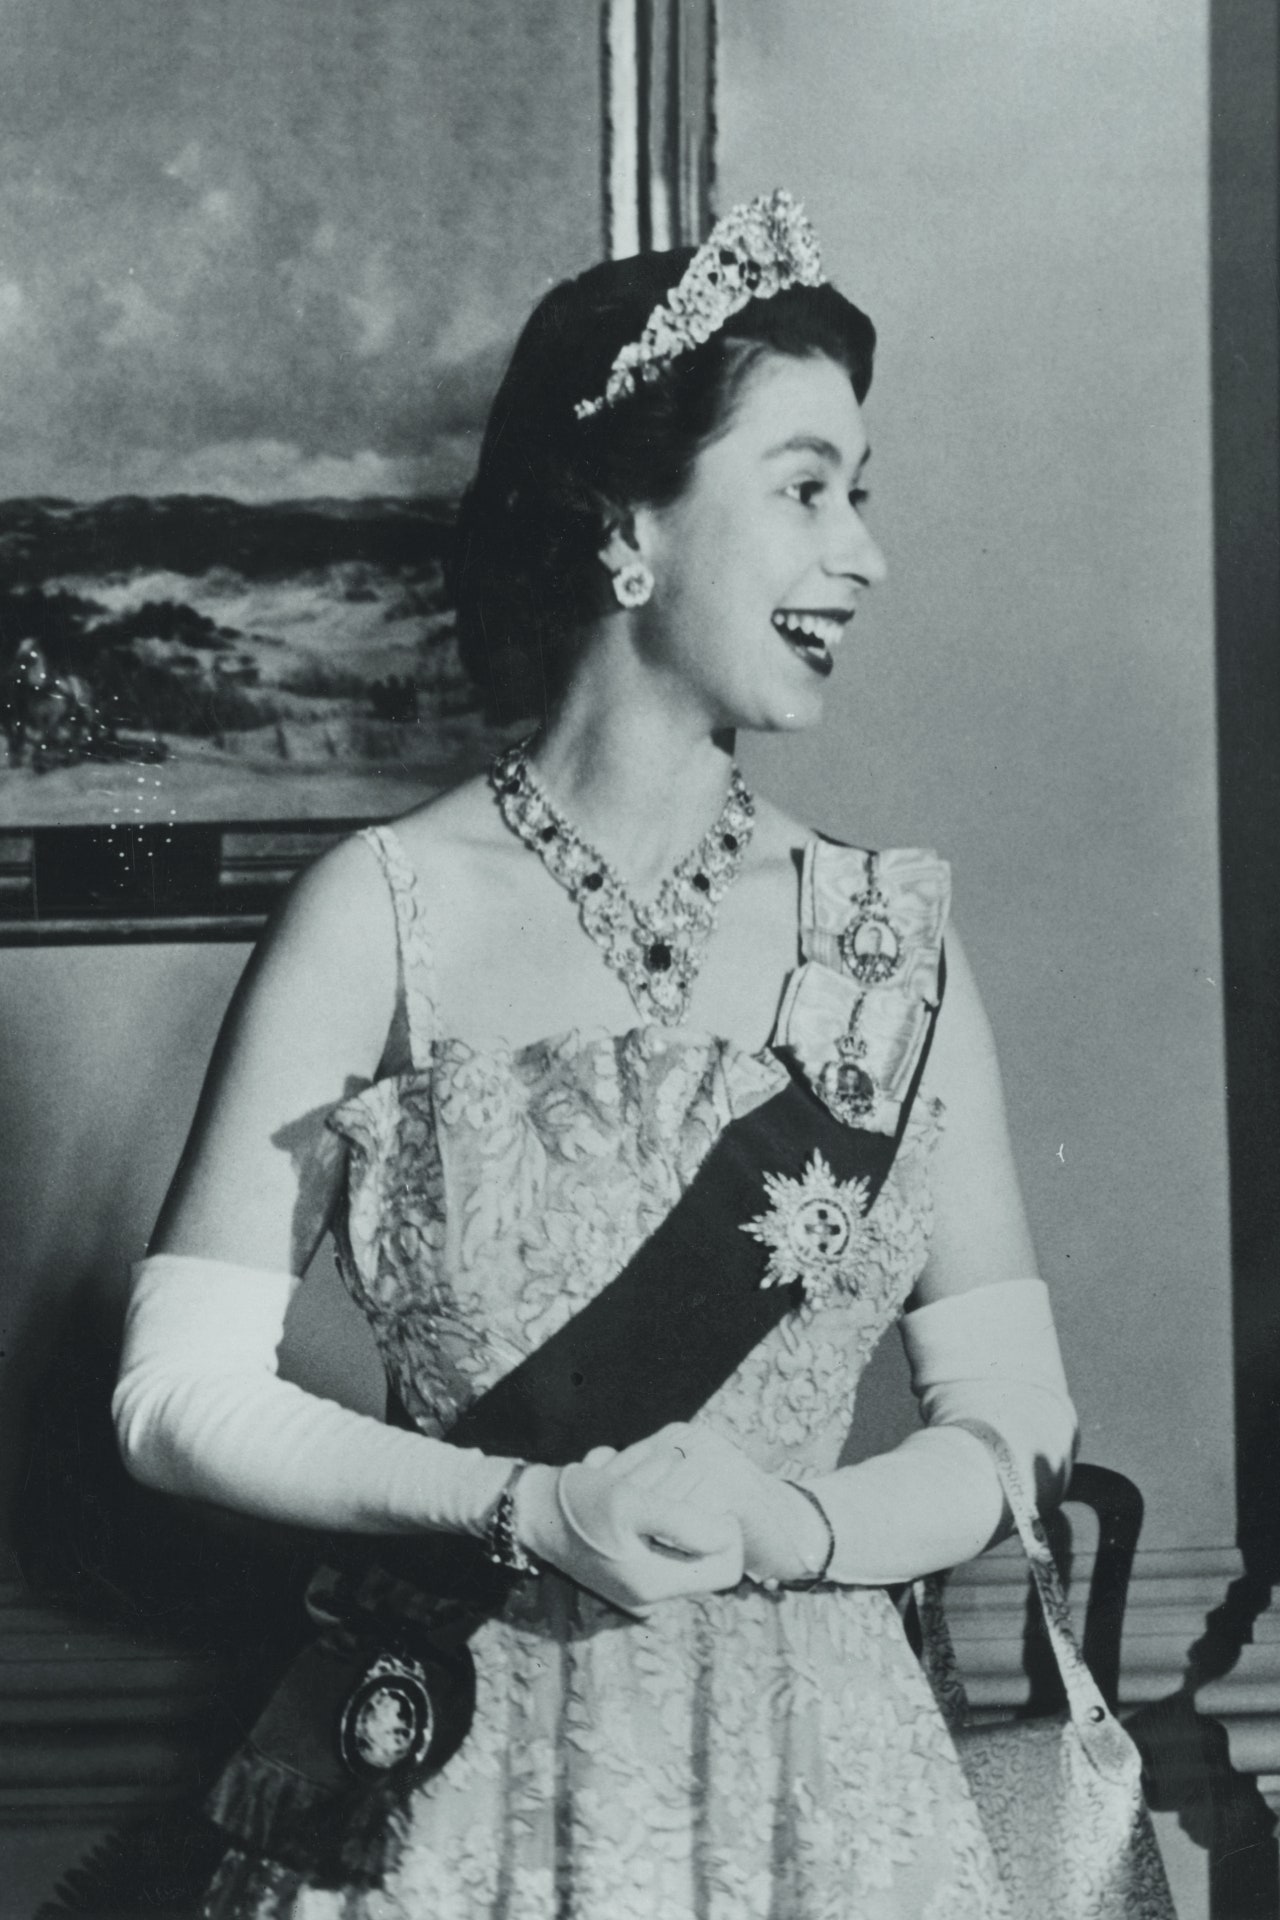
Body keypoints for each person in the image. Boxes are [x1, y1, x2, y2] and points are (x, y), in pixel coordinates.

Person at [113, 191, 1078, 1918]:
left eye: (862, 492)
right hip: (457, 1774)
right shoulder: (380, 911)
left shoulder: (890, 943)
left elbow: (1016, 1418)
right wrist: (526, 1513)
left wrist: (801, 1531)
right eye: (804, 489)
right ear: (630, 514)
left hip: (826, 1807)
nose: (863, 551)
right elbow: (176, 1401)